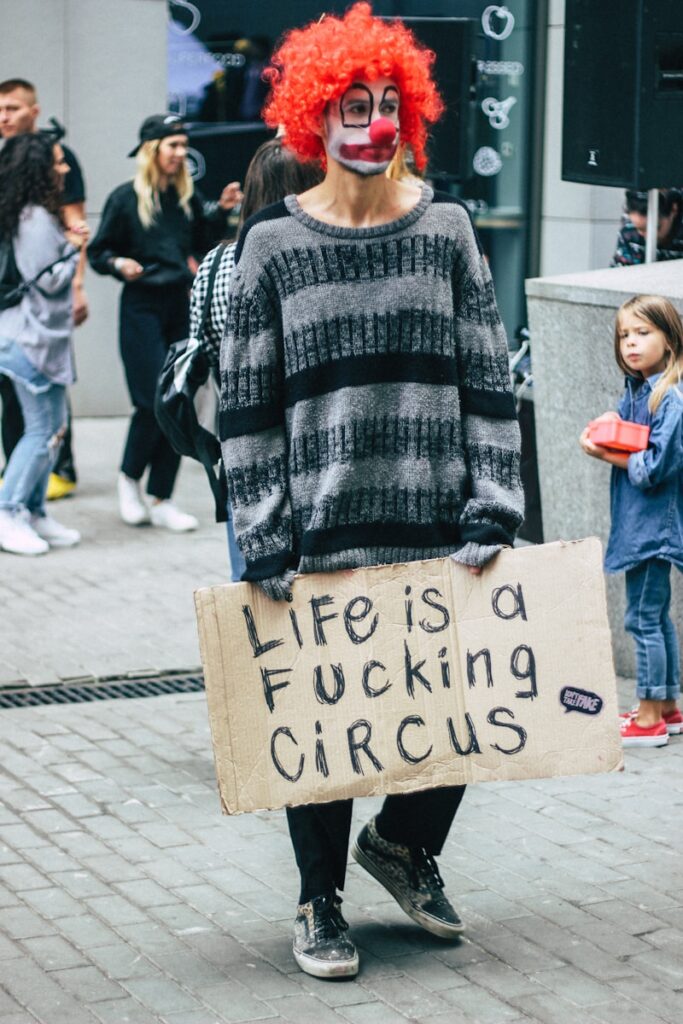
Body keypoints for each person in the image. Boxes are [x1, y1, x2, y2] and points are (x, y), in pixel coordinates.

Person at [220, 4, 524, 979]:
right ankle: (318, 901)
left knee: (456, 715)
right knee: (325, 734)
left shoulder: (445, 228)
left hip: (436, 522)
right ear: (315, 116)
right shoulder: (269, 244)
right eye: (352, 103)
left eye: (388, 102)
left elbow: (487, 376)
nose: (372, 121)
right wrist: (263, 531)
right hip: (319, 528)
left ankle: (403, 844)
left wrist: (494, 504)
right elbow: (246, 404)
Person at [88, 114, 242, 532]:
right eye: (173, 145)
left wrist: (222, 211)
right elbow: (98, 252)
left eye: (181, 145)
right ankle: (129, 479)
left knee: (180, 398)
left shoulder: (185, 198)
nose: (180, 153)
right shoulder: (124, 199)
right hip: (140, 305)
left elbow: (200, 242)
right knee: (147, 401)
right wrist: (119, 263)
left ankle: (161, 497)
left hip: (179, 304)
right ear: (152, 150)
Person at [189, 137, 322, 580]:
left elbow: (204, 347)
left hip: (240, 448)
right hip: (314, 446)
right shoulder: (316, 262)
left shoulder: (214, 264)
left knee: (253, 589)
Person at [580, 295, 683, 747]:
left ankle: (647, 721)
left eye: (643, 333)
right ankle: (666, 708)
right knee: (656, 617)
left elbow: (655, 466)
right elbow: (629, 430)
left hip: (652, 530)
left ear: (670, 338)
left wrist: (606, 453)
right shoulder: (641, 391)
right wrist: (609, 423)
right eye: (625, 335)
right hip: (644, 527)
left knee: (642, 619)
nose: (632, 343)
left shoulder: (670, 397)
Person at [0, 78, 89, 499]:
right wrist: (71, 249)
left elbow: (62, 245)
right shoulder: (33, 217)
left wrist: (78, 284)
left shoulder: (33, 205)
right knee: (39, 426)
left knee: (46, 424)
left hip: (29, 323)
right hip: (27, 328)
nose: (4, 117)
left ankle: (31, 506)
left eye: (12, 108)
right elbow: (49, 269)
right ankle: (12, 508)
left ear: (33, 110)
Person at [611, 189, 683, 266]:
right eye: (639, 229)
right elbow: (619, 269)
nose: (648, 236)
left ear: (673, 210)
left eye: (656, 228)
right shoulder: (629, 229)